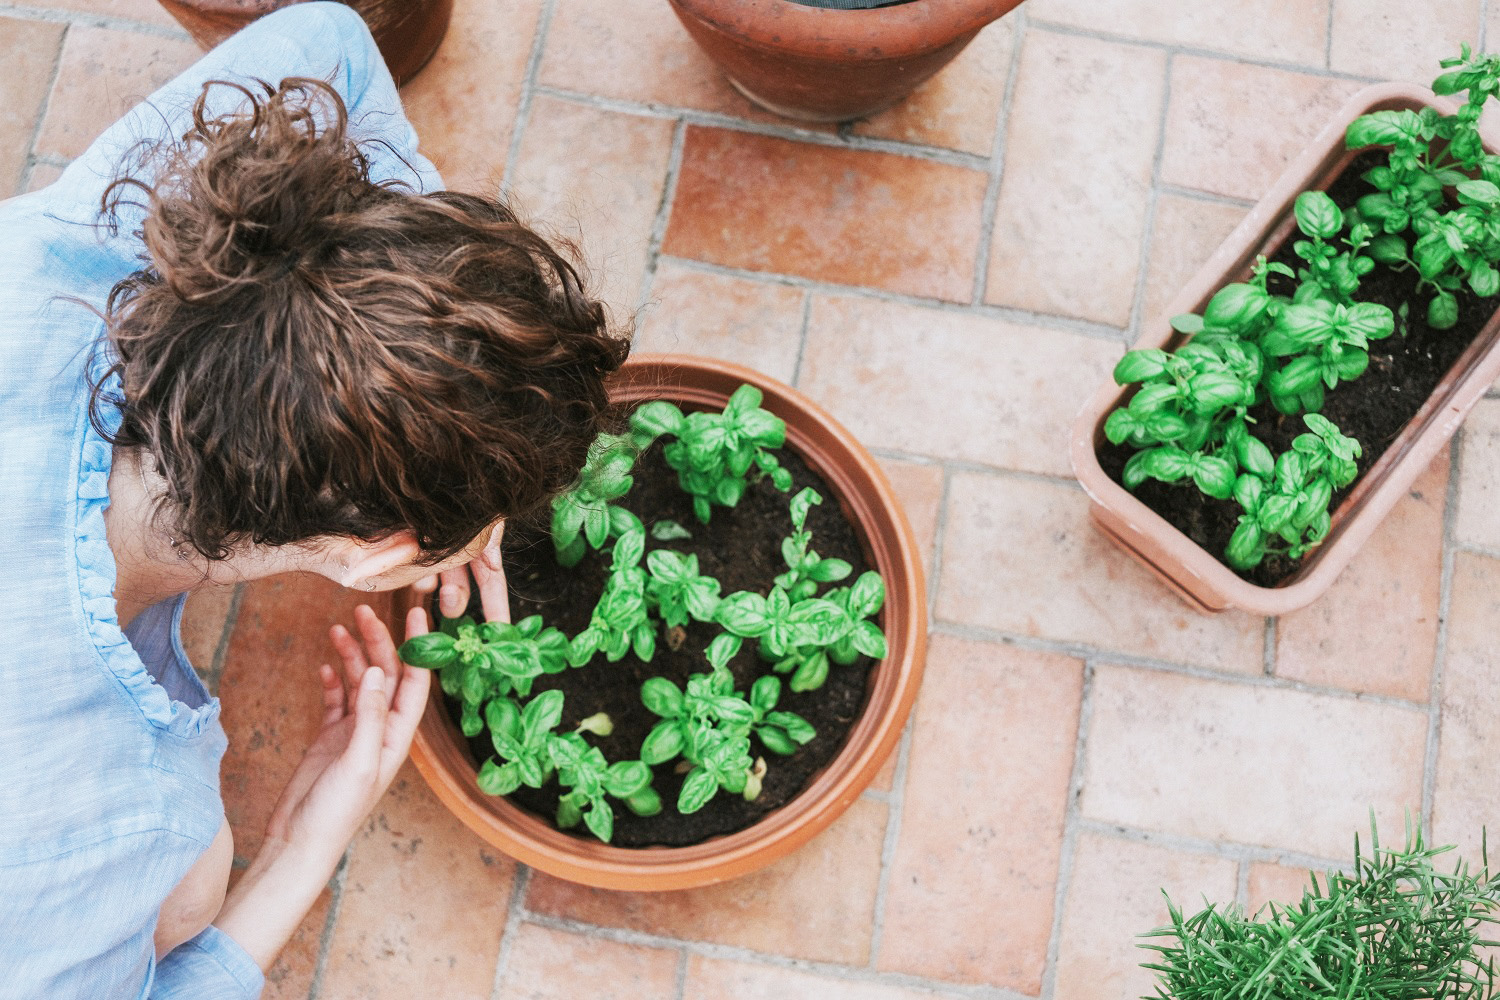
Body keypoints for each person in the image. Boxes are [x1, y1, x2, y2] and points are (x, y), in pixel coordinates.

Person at [0, 4, 628, 997]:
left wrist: (408, 369)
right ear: (374, 556)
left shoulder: (83, 247)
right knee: (192, 884)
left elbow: (333, 38)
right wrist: (301, 844)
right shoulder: (96, 824)